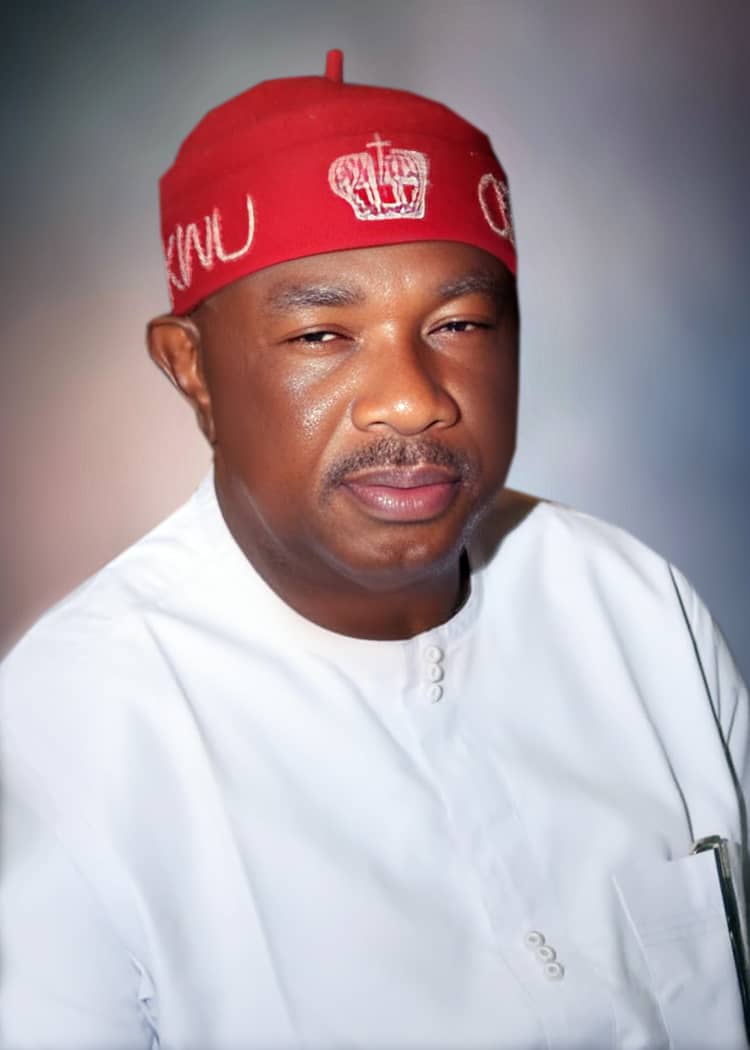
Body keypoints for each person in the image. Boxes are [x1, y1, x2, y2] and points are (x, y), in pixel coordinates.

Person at [1, 49, 747, 1050]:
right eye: (323, 336)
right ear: (193, 369)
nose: (413, 399)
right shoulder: (69, 732)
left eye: (460, 323)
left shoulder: (636, 607)